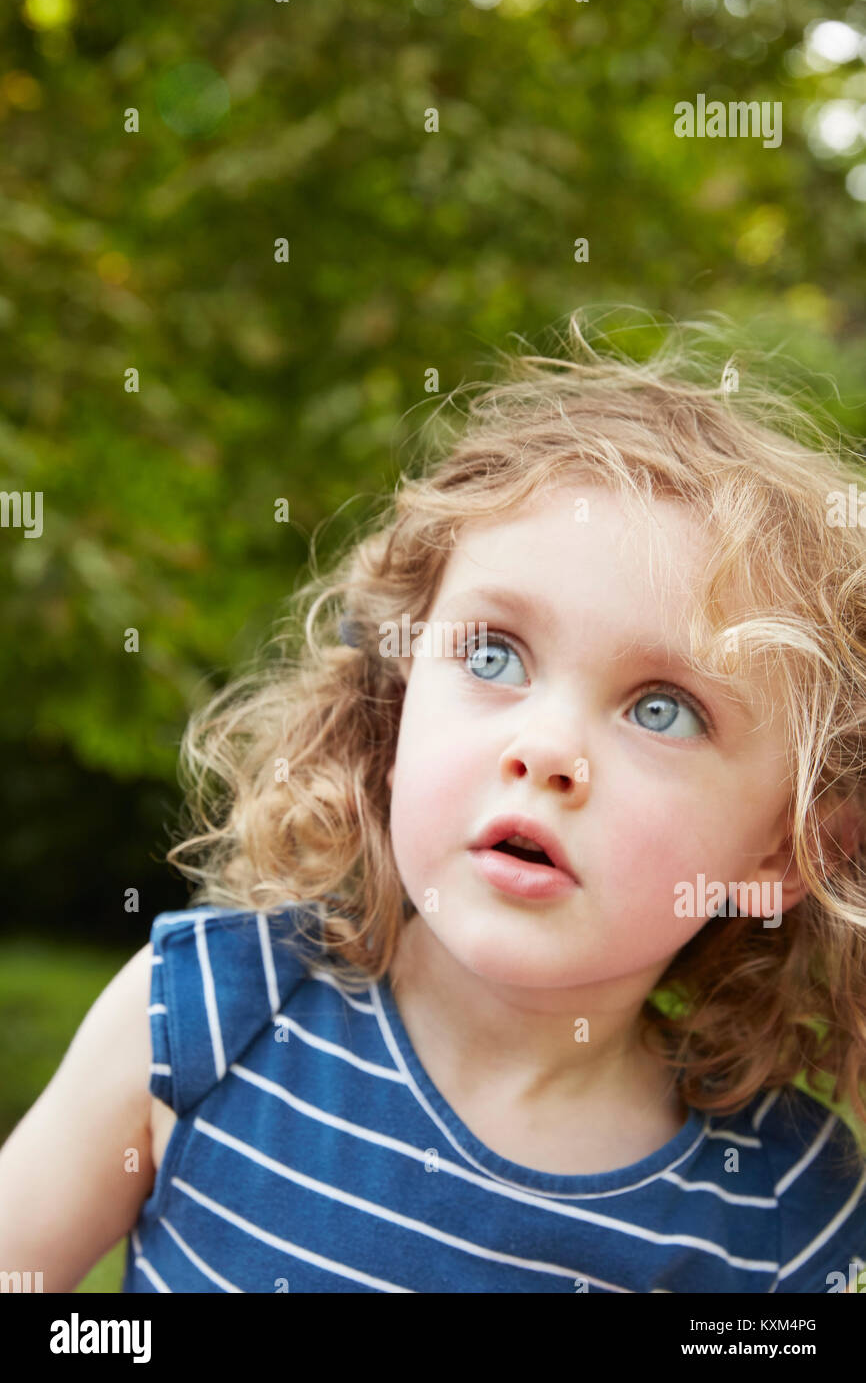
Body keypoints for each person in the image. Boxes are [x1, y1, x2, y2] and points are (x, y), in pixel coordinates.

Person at [2, 311, 865, 1293]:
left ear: (783, 850)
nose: (543, 750)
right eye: (493, 655)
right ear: (396, 694)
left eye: (662, 709)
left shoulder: (782, 1210)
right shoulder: (202, 1015)